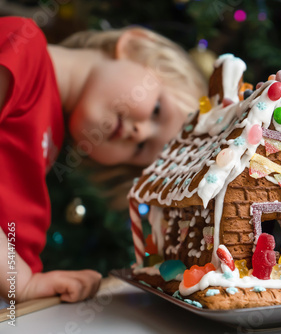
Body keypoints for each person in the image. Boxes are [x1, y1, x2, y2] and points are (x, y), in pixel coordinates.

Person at [0, 16, 206, 303]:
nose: (139, 132)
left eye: (142, 149)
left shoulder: (52, 138)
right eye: (157, 110)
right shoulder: (22, 46)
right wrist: (19, 280)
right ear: (137, 46)